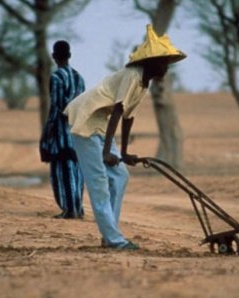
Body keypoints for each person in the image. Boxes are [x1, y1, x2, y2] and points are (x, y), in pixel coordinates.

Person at [64, 25, 186, 250]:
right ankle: (115, 240)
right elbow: (119, 110)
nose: (166, 68)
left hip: (100, 125)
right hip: (85, 121)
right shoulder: (132, 75)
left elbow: (129, 117)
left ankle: (109, 235)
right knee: (99, 183)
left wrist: (124, 153)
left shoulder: (144, 83)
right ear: (150, 61)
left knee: (120, 176)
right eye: (163, 63)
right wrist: (106, 151)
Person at [40, 40, 85, 219]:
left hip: (61, 133)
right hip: (78, 130)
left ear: (54, 56)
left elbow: (57, 108)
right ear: (70, 55)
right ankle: (78, 208)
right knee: (76, 170)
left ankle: (69, 209)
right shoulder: (79, 77)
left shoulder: (56, 77)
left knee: (62, 171)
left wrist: (47, 134)